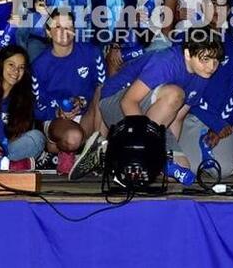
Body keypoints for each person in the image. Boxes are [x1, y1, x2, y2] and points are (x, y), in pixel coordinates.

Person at [69, 27, 224, 182]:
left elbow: (177, 119)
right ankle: (115, 151)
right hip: (115, 103)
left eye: (216, 61)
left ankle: (109, 151)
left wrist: (167, 151)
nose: (211, 67)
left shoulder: (203, 76)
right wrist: (150, 148)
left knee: (179, 171)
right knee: (175, 94)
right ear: (188, 54)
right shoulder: (166, 62)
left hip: (149, 118)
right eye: (205, 60)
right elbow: (128, 101)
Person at [177, 0, 233, 178]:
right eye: (211, 4)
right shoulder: (187, 40)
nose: (216, 10)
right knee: (187, 168)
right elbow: (181, 88)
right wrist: (210, 121)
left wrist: (223, 125)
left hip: (225, 121)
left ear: (230, 10)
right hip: (192, 115)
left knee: (222, 170)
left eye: (222, 6)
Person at [32, 9, 106, 175]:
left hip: (88, 117)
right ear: (48, 32)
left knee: (103, 89)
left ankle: (97, 150)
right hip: (57, 120)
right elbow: (37, 108)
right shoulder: (39, 65)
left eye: (69, 26)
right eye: (58, 26)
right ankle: (60, 148)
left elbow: (102, 86)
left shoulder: (91, 53)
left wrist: (82, 102)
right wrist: (57, 111)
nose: (64, 32)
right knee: (72, 139)